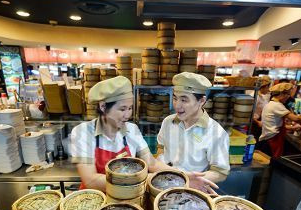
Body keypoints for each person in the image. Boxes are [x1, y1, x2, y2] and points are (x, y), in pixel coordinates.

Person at [70, 76, 217, 193]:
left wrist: (180, 176)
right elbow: (91, 180)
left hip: (129, 200)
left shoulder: (131, 130)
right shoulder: (83, 132)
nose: (127, 114)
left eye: (130, 108)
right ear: (103, 106)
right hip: (94, 200)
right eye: (122, 109)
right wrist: (143, 180)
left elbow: (151, 163)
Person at [156, 72, 230, 186]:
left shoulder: (217, 133)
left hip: (190, 187)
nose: (177, 105)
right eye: (175, 98)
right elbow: (160, 147)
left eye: (184, 100)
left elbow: (220, 172)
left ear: (201, 101)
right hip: (162, 181)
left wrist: (189, 180)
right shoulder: (168, 121)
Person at [259, 83, 301, 158]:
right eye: (287, 94)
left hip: (269, 139)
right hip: (272, 140)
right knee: (271, 162)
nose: (288, 96)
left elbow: (276, 124)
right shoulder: (276, 105)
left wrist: (292, 127)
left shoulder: (271, 104)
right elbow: (296, 119)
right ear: (281, 94)